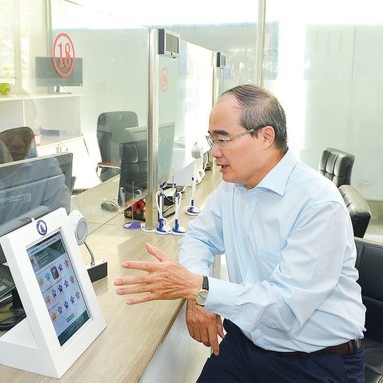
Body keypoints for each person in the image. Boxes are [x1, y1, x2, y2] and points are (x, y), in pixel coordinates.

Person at [114, 84, 366, 382]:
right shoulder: (233, 186)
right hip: (247, 344)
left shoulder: (317, 204)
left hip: (316, 360)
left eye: (223, 139)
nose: (214, 152)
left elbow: (284, 308)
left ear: (265, 136)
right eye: (212, 139)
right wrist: (198, 295)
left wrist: (201, 288)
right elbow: (199, 238)